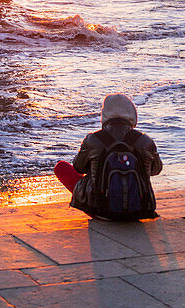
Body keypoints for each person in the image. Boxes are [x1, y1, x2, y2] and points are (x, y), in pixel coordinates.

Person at [54, 93, 162, 221]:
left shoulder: (93, 139)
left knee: (61, 167)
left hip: (100, 210)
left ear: (104, 114)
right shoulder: (145, 140)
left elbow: (78, 168)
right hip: (141, 209)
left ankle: (102, 208)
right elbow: (156, 170)